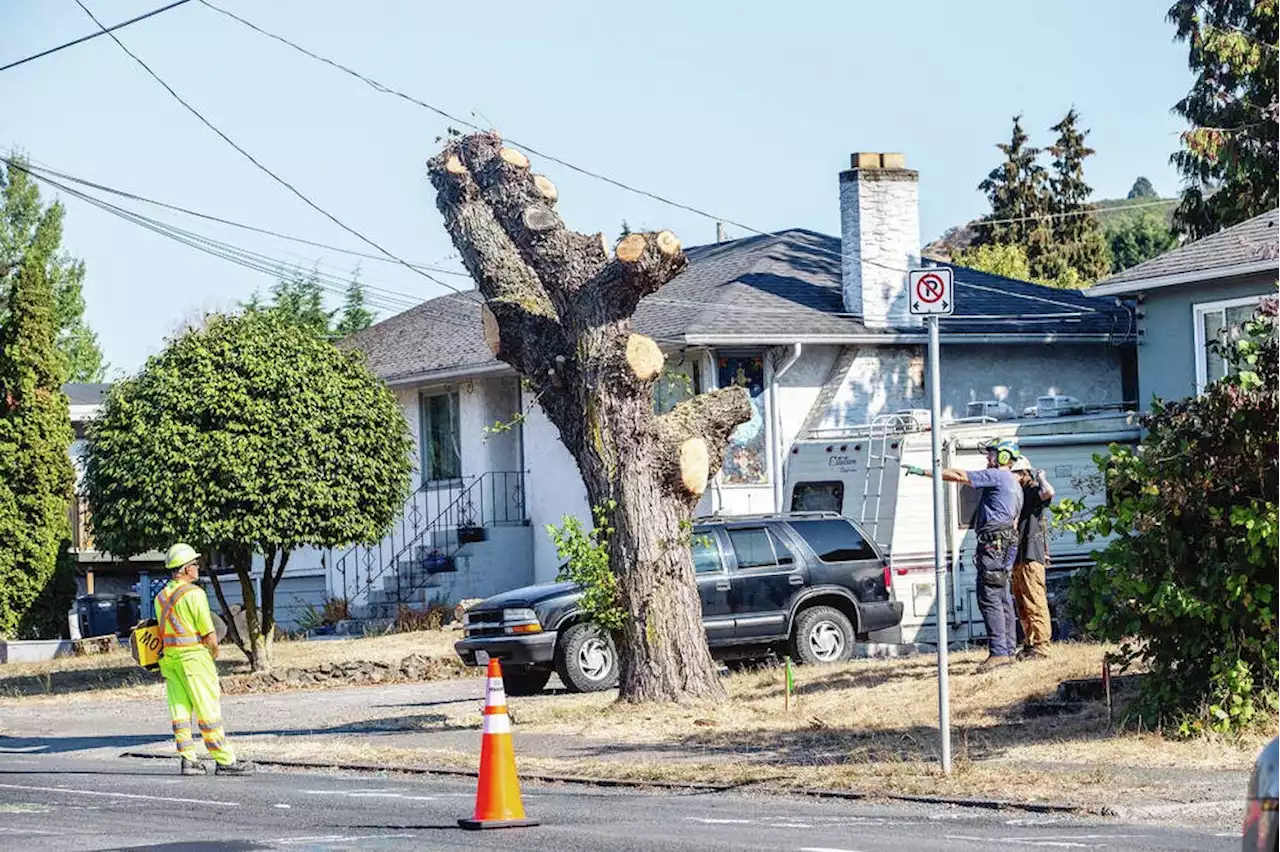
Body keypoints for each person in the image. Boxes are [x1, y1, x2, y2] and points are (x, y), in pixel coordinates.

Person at [906, 438, 1023, 671]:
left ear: (1003, 457)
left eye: (991, 454)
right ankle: (1008, 649)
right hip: (1007, 542)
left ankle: (999, 652)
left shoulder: (998, 476)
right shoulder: (1015, 484)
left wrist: (926, 472)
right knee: (1002, 595)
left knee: (989, 595)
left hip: (994, 544)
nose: (987, 459)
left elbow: (960, 476)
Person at [156, 543, 254, 777]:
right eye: (195, 564)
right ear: (185, 568)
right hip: (194, 658)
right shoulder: (195, 594)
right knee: (207, 709)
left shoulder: (160, 597)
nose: (198, 568)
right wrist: (214, 652)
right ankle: (225, 760)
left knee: (179, 710)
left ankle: (188, 760)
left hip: (170, 660)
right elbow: (209, 633)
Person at [1011, 456, 1056, 660]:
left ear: (1024, 473)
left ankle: (1042, 646)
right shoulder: (1017, 495)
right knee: (1022, 603)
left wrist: (1041, 478)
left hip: (1031, 555)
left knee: (1035, 601)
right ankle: (1029, 643)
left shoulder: (1032, 491)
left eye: (1015, 474)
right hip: (1018, 556)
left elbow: (1048, 493)